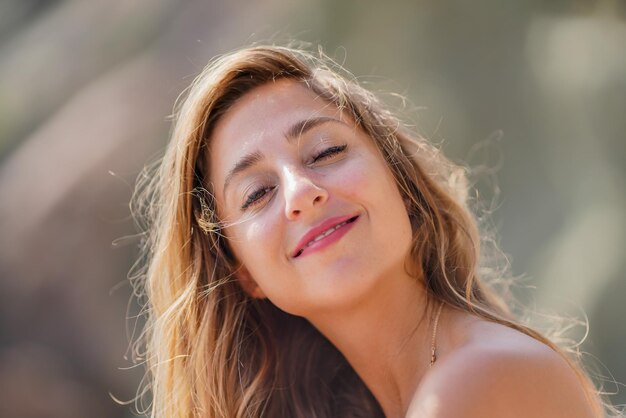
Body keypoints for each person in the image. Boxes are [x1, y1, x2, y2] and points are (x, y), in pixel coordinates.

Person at [131, 44, 615, 417]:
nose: (301, 193)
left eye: (325, 153)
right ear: (243, 273)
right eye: (258, 193)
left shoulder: (478, 380)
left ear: (401, 183)